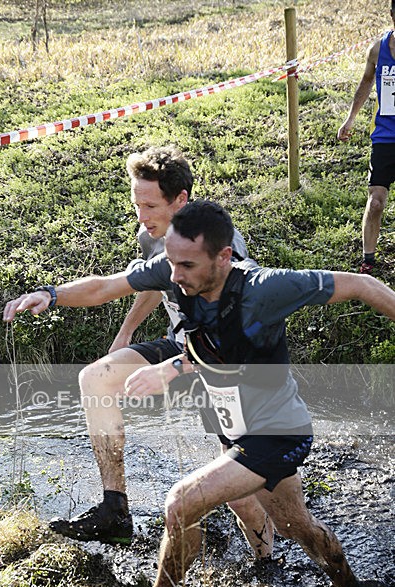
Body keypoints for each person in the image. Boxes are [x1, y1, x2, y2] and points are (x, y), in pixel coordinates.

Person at [3, 200, 395, 587]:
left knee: (181, 502)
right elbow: (106, 286)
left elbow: (362, 284)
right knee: (294, 526)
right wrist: (52, 295)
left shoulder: (266, 288)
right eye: (170, 262)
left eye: (186, 265)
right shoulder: (175, 269)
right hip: (236, 426)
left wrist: (171, 369)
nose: (174, 276)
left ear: (224, 257)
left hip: (276, 431)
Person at [38, 144, 277, 561]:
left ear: (180, 201)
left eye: (149, 205)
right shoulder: (149, 236)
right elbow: (150, 281)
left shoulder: (216, 243)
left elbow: (230, 331)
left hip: (225, 361)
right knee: (96, 377)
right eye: (135, 204)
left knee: (239, 494)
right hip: (180, 342)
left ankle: (266, 559)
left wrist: (176, 368)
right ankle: (115, 509)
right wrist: (126, 332)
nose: (141, 215)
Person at [338, 3, 395, 274]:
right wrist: (350, 119)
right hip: (385, 135)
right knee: (375, 203)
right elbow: (365, 83)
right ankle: (368, 260)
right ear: (392, 17)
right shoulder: (377, 49)